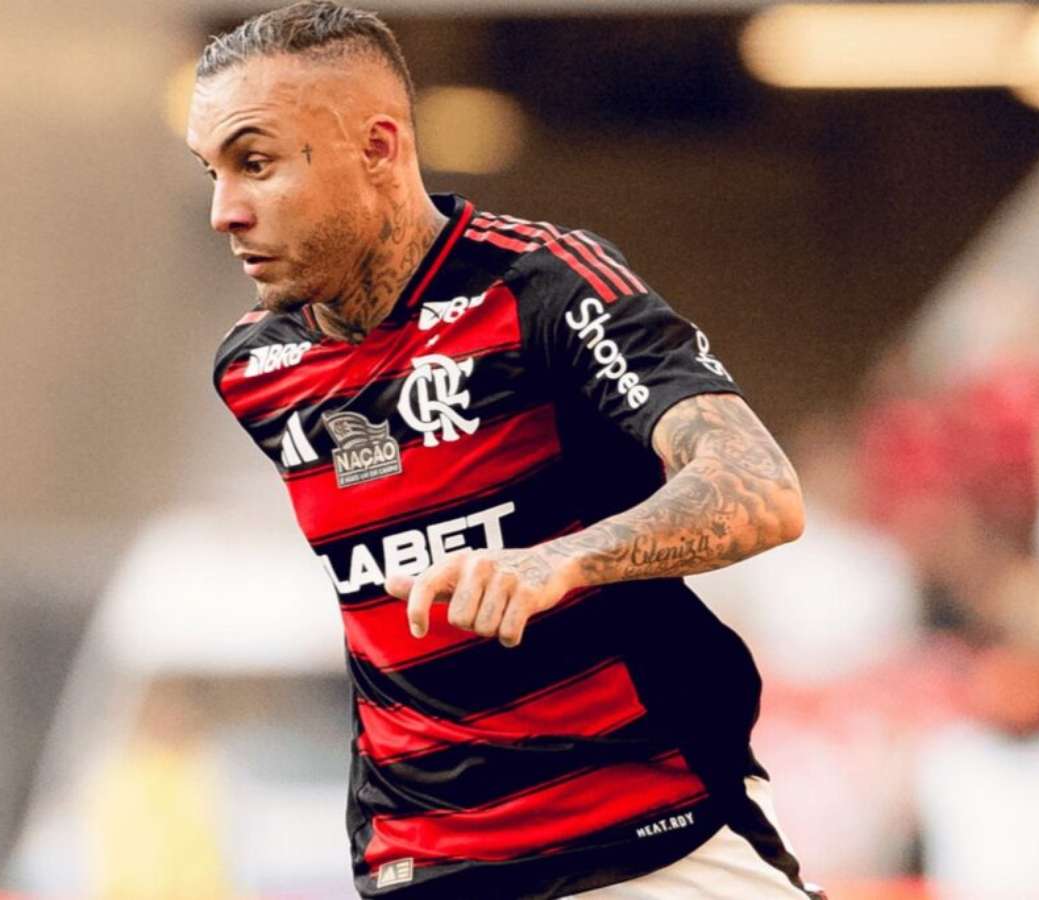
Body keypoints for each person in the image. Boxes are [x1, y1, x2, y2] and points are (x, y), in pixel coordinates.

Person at [188, 3, 823, 897]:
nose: (224, 211)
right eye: (212, 172)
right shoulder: (254, 370)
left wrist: (563, 558)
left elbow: (760, 489)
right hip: (425, 857)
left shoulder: (543, 287)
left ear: (378, 149)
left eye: (254, 164)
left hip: (647, 835)